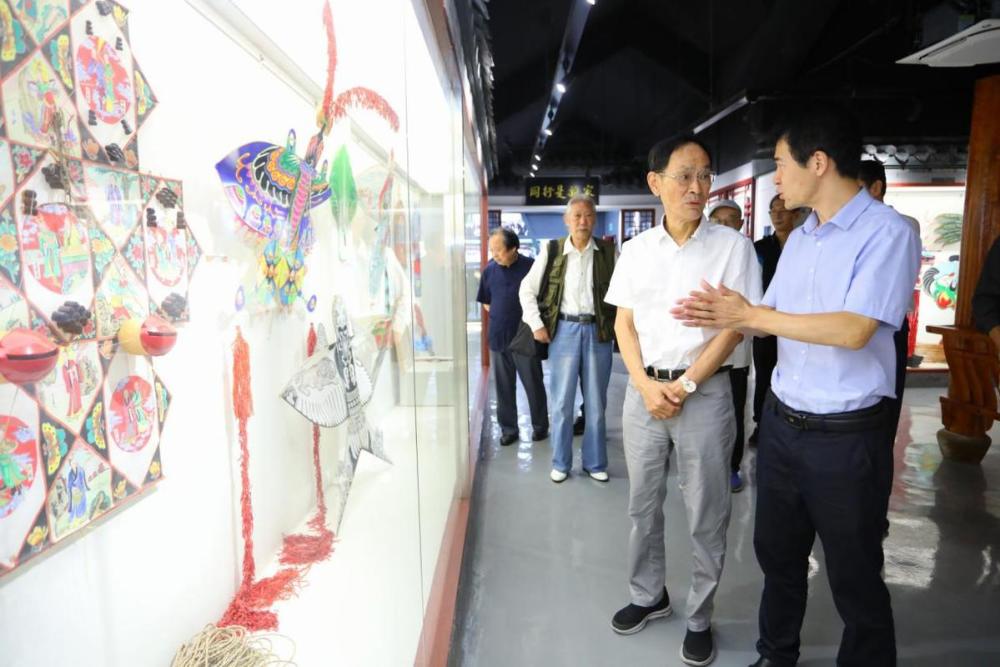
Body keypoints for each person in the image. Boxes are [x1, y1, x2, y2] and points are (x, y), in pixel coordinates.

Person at [674, 104, 920, 666]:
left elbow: (855, 329)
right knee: (777, 558)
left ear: (819, 161)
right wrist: (725, 314)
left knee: (854, 573)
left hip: (847, 437)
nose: (777, 177)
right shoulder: (803, 237)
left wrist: (752, 318)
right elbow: (770, 310)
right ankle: (776, 653)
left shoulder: (887, 232)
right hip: (784, 426)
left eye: (781, 164)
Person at [605, 136, 761, 666]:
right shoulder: (636, 249)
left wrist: (687, 385)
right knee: (642, 505)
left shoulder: (733, 248)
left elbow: (734, 331)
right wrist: (646, 386)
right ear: (656, 183)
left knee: (706, 511)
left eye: (704, 176)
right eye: (684, 176)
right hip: (643, 393)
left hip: (706, 393)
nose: (697, 187)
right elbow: (624, 324)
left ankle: (699, 617)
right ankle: (649, 595)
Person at [520, 195, 616, 483]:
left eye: (588, 216)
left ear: (595, 219)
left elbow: (625, 293)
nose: (583, 221)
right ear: (566, 220)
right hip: (563, 331)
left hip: (598, 333)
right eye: (577, 216)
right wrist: (537, 325)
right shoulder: (551, 251)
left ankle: (595, 462)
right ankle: (561, 462)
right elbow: (527, 290)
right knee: (562, 402)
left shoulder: (609, 252)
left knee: (596, 403)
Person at [857, 159, 923, 536]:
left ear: (877, 188)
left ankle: (874, 514)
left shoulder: (900, 227)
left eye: (859, 188)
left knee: (882, 424)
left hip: (887, 331)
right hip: (850, 331)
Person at [476, 228, 548, 447]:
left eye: (499, 250)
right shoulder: (489, 270)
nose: (495, 255)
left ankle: (540, 426)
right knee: (504, 388)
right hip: (499, 338)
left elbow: (543, 301)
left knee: (533, 384)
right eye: (492, 251)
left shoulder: (532, 267)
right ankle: (508, 429)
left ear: (514, 248)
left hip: (525, 338)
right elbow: (487, 302)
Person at [747, 195, 807, 446]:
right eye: (774, 212)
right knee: (764, 373)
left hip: (798, 322)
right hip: (766, 320)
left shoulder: (806, 245)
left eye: (784, 211)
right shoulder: (759, 248)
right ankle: (761, 423)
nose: (779, 216)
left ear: (795, 214)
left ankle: (794, 423)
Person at [709, 198, 752, 492]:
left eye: (730, 220)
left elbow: (750, 304)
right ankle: (705, 469)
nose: (724, 226)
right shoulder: (702, 251)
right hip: (702, 352)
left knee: (734, 410)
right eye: (718, 221)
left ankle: (732, 466)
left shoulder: (744, 250)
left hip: (735, 352)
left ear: (740, 224)